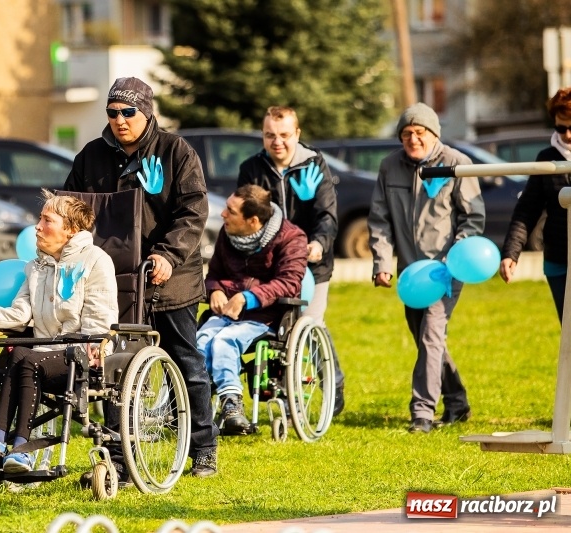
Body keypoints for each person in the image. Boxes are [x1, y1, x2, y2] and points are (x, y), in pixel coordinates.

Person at [64, 76, 219, 477]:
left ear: (146, 112)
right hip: (113, 279)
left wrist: (167, 254)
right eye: (112, 113)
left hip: (171, 277)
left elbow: (193, 211)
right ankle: (119, 457)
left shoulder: (176, 152)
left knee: (187, 364)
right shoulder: (91, 157)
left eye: (127, 112)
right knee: (115, 369)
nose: (119, 120)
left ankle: (203, 448)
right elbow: (70, 210)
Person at [0, 194, 118, 473]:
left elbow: (98, 321)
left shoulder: (96, 261)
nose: (37, 226)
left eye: (47, 220)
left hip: (81, 353)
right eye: (40, 219)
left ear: (70, 229)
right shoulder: (35, 267)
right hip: (41, 351)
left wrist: (95, 349)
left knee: (26, 358)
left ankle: (20, 449)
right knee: (19, 353)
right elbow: (19, 315)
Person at [368, 102, 485, 434]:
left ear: (434, 133)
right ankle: (458, 401)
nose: (413, 139)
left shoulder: (457, 163)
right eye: (406, 134)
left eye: (420, 133)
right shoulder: (390, 166)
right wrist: (382, 262)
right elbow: (380, 220)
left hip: (446, 270)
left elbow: (473, 218)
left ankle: (422, 413)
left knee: (432, 335)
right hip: (410, 273)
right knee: (426, 339)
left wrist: (456, 255)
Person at [237, 106, 345, 417]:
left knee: (309, 324)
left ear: (296, 134)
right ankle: (280, 394)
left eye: (284, 135)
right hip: (270, 265)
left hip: (313, 265)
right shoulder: (252, 169)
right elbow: (248, 218)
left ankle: (333, 385)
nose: (277, 142)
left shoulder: (313, 164)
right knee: (275, 331)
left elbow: (327, 215)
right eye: (270, 135)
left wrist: (318, 243)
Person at [198, 184, 308, 434]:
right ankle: (193, 406)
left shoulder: (292, 238)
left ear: (253, 221)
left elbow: (289, 283)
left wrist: (248, 298)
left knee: (225, 341)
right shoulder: (228, 233)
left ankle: (232, 404)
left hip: (266, 316)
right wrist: (213, 289)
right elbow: (214, 273)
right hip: (225, 310)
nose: (223, 215)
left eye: (230, 211)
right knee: (200, 340)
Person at [500, 87, 571, 323]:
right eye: (561, 128)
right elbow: (527, 210)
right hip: (558, 259)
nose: (567, 135)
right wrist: (511, 252)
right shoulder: (545, 158)